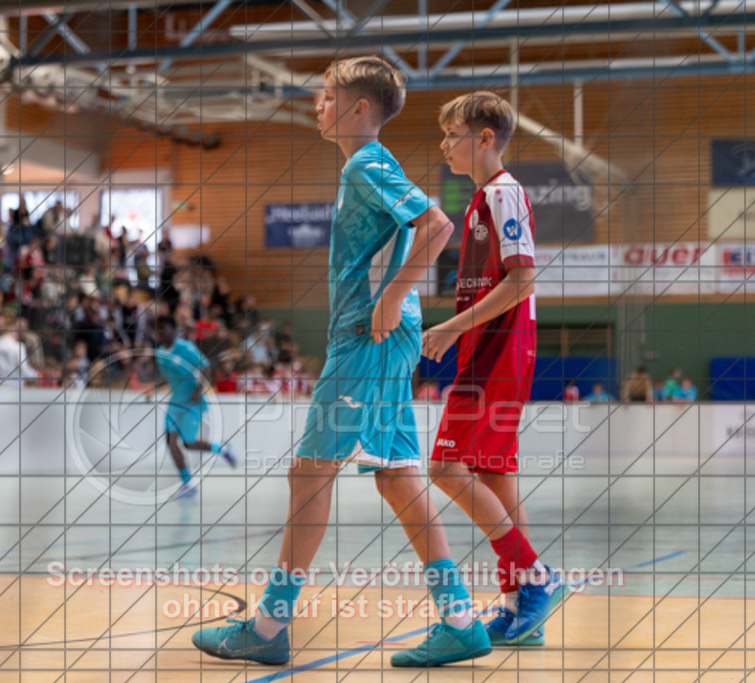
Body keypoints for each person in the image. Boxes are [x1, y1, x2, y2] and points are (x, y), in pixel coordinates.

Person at [193, 55, 491, 668]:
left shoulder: (367, 162)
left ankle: (271, 627)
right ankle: (460, 619)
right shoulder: (367, 166)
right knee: (397, 475)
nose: (317, 105)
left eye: (327, 96)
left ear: (359, 109)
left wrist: (391, 295)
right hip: (379, 337)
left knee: (310, 474)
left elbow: (437, 224)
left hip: (367, 336)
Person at [421, 90, 568, 649]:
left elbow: (522, 279)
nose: (443, 144)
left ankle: (535, 578)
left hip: (496, 349)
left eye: (452, 132)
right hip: (494, 347)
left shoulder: (503, 193)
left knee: (445, 467)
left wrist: (454, 328)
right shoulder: (480, 200)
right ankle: (517, 612)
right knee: (497, 477)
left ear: (485, 138)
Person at [147, 315, 236, 498]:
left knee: (189, 443)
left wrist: (198, 389)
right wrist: (153, 388)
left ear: (173, 329)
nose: (159, 333)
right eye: (157, 329)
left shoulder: (185, 348)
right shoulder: (161, 353)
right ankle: (187, 483)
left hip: (192, 403)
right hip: (175, 402)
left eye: (163, 328)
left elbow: (206, 367)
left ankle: (220, 448)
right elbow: (169, 376)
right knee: (170, 441)